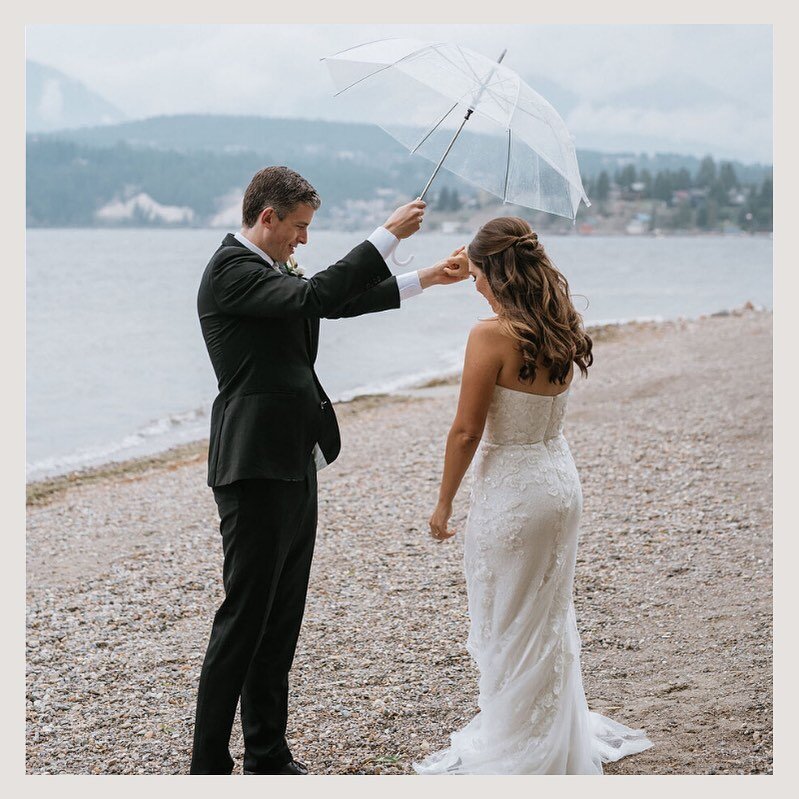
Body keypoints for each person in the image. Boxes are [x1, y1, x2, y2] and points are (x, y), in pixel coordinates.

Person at [191, 166, 468, 775]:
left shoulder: (269, 270)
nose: (303, 241)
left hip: (296, 457)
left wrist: (426, 278)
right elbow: (317, 295)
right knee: (244, 617)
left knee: (281, 618)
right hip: (252, 465)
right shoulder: (231, 272)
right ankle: (207, 766)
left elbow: (334, 302)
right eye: (299, 227)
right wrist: (386, 234)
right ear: (268, 218)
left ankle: (267, 754)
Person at [414, 216, 653, 774]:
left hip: (515, 490)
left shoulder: (490, 336)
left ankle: (521, 744)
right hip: (560, 480)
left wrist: (443, 502)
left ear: (495, 272)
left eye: (476, 275)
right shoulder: (559, 323)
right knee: (545, 614)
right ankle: (548, 728)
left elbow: (466, 431)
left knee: (508, 616)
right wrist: (464, 264)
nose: (473, 285)